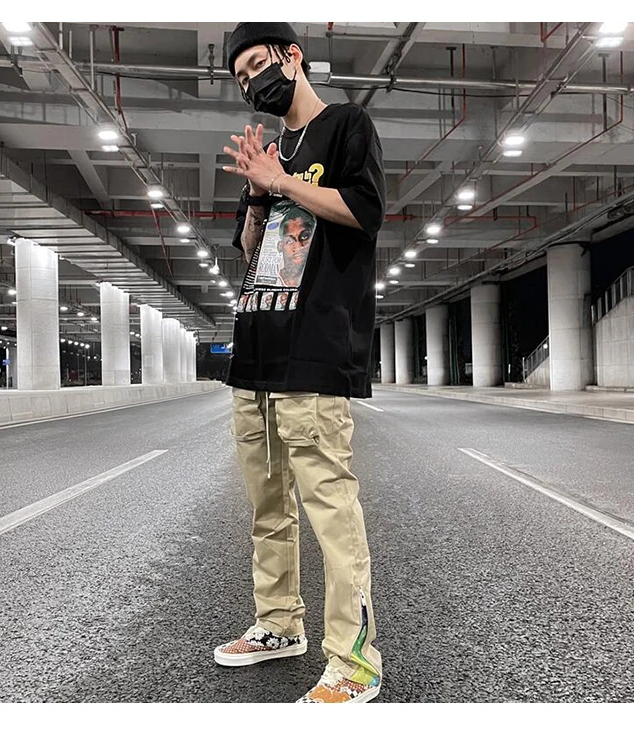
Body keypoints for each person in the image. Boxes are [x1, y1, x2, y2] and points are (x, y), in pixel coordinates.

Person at [215, 22, 386, 704]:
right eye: (240, 77)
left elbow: (364, 212)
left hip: (315, 347)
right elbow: (250, 248)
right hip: (257, 343)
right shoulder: (270, 153)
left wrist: (282, 179)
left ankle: (354, 661)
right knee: (266, 505)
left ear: (293, 56)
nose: (251, 82)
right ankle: (278, 624)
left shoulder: (346, 125)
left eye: (257, 63)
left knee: (330, 510)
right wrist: (260, 192)